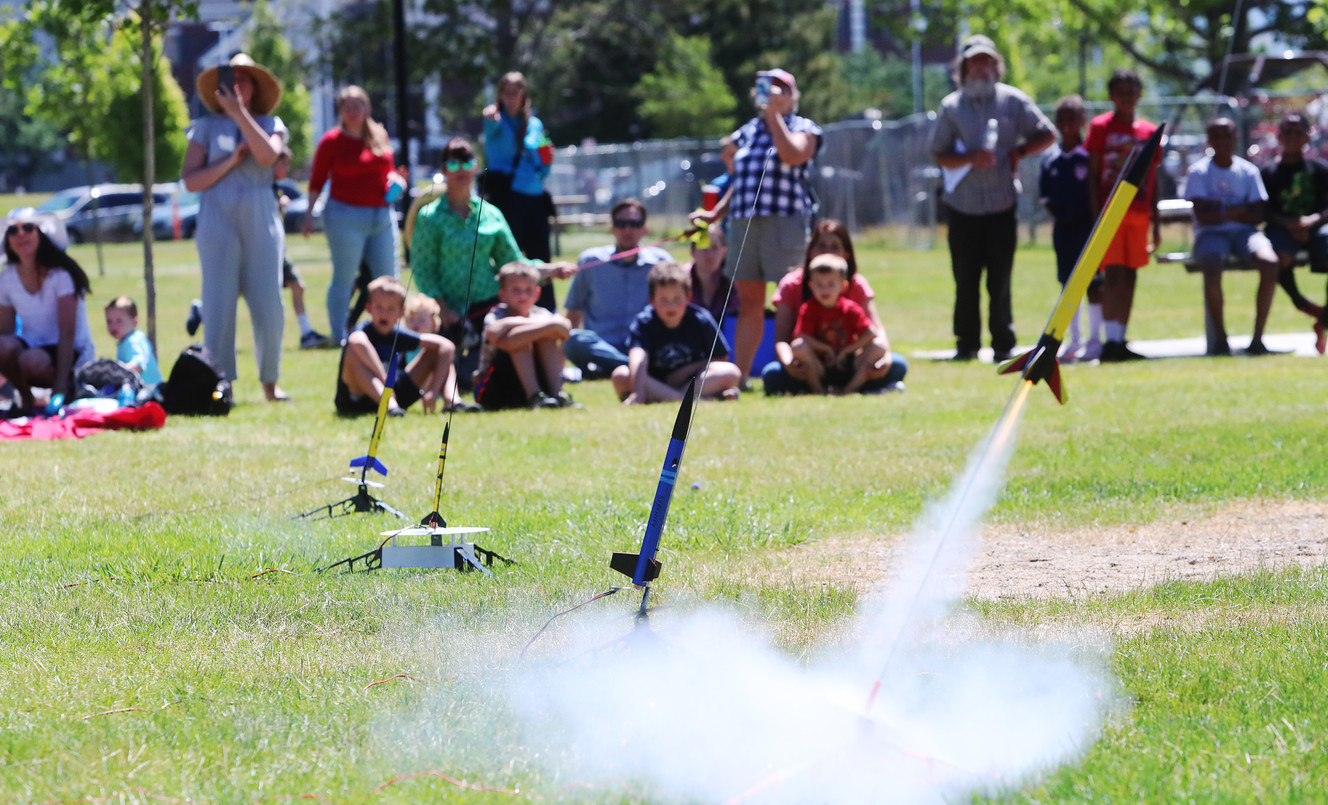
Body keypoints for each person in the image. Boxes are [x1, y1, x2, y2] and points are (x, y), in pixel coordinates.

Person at [689, 68, 822, 385]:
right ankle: (741, 377)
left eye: (782, 88)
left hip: (785, 222)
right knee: (749, 302)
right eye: (768, 87)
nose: (773, 93)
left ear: (793, 96)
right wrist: (716, 213)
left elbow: (792, 155)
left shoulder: (804, 127)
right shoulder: (746, 132)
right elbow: (740, 181)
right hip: (742, 224)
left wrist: (774, 116)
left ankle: (799, 370)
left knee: (792, 298)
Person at [930, 35, 1056, 362]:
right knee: (965, 279)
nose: (981, 68)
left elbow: (1048, 133)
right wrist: (970, 158)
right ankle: (966, 344)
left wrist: (1019, 151)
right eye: (975, 62)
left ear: (996, 66)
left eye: (987, 61)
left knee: (1000, 279)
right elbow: (939, 153)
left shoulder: (1013, 101)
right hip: (963, 207)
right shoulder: (951, 107)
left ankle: (1003, 343)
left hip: (1002, 205)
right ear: (964, 68)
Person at [411, 137, 573, 381]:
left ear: (475, 167)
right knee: (451, 371)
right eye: (453, 165)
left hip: (487, 307)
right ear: (443, 170)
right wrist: (443, 309)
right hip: (448, 313)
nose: (461, 170)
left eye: (467, 164)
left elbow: (514, 264)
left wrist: (551, 270)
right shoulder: (429, 217)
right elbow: (423, 270)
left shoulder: (491, 214)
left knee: (498, 364)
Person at [183, 53, 290, 401]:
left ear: (255, 87)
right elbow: (192, 181)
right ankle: (219, 383)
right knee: (218, 302)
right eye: (232, 79)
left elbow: (267, 157)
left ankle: (271, 382)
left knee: (269, 303)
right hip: (216, 216)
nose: (237, 86)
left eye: (244, 80)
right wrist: (230, 161)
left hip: (261, 214)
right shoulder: (204, 128)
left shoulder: (271, 124)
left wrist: (240, 114)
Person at [303, 85, 403, 344]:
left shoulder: (379, 135)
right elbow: (317, 180)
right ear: (341, 111)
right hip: (344, 216)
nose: (352, 111)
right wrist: (308, 213)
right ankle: (340, 336)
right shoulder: (331, 141)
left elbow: (388, 169)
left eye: (357, 106)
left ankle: (390, 333)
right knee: (345, 277)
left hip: (381, 216)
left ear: (367, 108)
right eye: (347, 107)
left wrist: (395, 180)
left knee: (389, 277)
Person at [761, 220, 907, 395]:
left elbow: (875, 331)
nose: (827, 252)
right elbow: (784, 339)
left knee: (897, 365)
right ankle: (823, 388)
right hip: (810, 364)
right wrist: (789, 362)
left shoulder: (855, 289)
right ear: (810, 251)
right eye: (821, 246)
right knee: (772, 374)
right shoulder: (795, 290)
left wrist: (885, 358)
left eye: (835, 247)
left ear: (846, 254)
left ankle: (849, 387)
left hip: (849, 363)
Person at [1185, 117, 1280, 356]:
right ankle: (1221, 340)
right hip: (1210, 234)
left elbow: (1257, 214)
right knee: (1212, 261)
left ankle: (1257, 340)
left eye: (1226, 135)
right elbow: (1203, 216)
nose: (1222, 141)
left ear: (1235, 139)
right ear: (1209, 140)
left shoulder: (1248, 171)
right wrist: (1238, 211)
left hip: (1245, 233)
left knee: (1270, 262)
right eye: (1216, 136)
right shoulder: (1198, 171)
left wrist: (1220, 211)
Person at [1086, 69, 1160, 362]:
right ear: (1111, 96)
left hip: (1139, 213)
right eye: (1121, 93)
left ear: (1140, 94)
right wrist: (1097, 215)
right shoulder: (1100, 126)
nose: (1127, 98)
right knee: (1113, 273)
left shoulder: (1149, 131)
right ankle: (1109, 338)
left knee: (1130, 274)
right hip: (1111, 212)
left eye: (1132, 92)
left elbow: (1153, 177)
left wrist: (1156, 221)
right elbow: (1093, 174)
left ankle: (1120, 337)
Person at [563, 199, 673, 378]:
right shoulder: (591, 261)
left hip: (643, 344)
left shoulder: (661, 262)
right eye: (621, 224)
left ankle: (616, 368)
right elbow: (574, 313)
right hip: (601, 346)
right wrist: (559, 368)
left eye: (635, 223)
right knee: (573, 340)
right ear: (612, 228)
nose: (628, 230)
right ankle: (637, 368)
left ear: (644, 229)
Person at [0, 210, 95, 414]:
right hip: (32, 348)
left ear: (41, 233)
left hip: (71, 353)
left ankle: (68, 388)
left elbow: (67, 332)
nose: (21, 235)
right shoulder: (6, 278)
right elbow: (5, 332)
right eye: (13, 230)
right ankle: (26, 399)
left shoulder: (61, 275)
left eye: (28, 227)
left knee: (31, 360)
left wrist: (59, 386)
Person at [335, 276, 466, 416]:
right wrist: (384, 379)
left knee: (439, 352)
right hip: (357, 400)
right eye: (379, 307)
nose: (384, 313)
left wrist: (433, 390)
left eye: (391, 308)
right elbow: (356, 341)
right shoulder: (363, 331)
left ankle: (452, 401)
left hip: (395, 393)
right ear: (368, 308)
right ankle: (389, 405)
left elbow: (447, 346)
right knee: (352, 352)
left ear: (401, 312)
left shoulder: (397, 334)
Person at [612, 261, 740, 404]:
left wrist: (686, 370)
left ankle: (676, 397)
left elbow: (721, 358)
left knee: (731, 372)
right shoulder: (644, 322)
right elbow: (637, 357)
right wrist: (638, 392)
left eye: (677, 299)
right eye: (663, 300)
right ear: (652, 301)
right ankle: (688, 399)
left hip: (693, 382)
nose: (671, 306)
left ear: (688, 298)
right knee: (621, 374)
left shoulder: (700, 319)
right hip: (656, 382)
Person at [481, 71, 556, 310]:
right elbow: (489, 121)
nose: (512, 97)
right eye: (507, 92)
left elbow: (543, 165)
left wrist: (547, 160)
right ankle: (505, 305)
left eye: (516, 92)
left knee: (541, 254)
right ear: (500, 95)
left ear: (524, 94)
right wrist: (490, 113)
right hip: (507, 196)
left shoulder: (534, 124)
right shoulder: (495, 120)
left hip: (534, 195)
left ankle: (546, 308)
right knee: (507, 255)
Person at [1261, 112, 1328, 353]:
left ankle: (1324, 319)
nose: (1292, 137)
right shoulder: (1267, 171)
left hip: (1317, 227)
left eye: (1298, 132)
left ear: (1308, 136)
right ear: (1278, 135)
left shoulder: (1319, 169)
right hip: (1281, 228)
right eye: (1287, 131)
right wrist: (1290, 224)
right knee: (1279, 258)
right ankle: (1304, 304)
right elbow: (1262, 210)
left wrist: (1310, 222)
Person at [1038, 95, 1098, 362]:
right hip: (1064, 231)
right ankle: (1075, 341)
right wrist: (1063, 218)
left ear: (1083, 121)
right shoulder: (1051, 159)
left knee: (1094, 284)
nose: (1067, 124)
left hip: (1089, 229)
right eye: (1062, 119)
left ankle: (1095, 341)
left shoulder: (1090, 156)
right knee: (1068, 285)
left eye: (1073, 119)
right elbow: (1046, 197)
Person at [474, 263, 578, 410]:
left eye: (528, 289)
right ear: (502, 294)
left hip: (539, 382)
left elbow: (564, 328)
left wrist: (510, 323)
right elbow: (493, 334)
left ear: (537, 293)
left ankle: (557, 394)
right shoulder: (497, 314)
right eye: (516, 289)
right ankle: (534, 395)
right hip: (496, 388)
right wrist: (547, 325)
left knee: (546, 339)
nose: (523, 295)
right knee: (519, 340)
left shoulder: (541, 313)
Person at [786, 255, 882, 395]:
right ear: (811, 286)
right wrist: (826, 349)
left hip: (848, 363)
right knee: (798, 347)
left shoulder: (850, 308)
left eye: (830, 284)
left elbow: (871, 333)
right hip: (820, 365)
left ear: (843, 286)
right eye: (819, 284)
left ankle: (849, 390)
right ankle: (818, 390)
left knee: (879, 346)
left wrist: (846, 351)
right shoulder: (808, 308)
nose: (824, 289)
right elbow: (801, 336)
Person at [274, 148, 332, 349]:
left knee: (297, 287)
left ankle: (306, 333)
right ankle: (203, 310)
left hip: (277, 250)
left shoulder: (275, 189)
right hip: (265, 252)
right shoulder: (263, 188)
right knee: (243, 291)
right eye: (281, 164)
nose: (285, 168)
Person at [104, 296, 162, 387]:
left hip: (150, 390)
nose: (113, 325)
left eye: (119, 321)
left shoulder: (133, 340)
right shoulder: (127, 340)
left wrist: (117, 373)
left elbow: (138, 364)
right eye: (109, 321)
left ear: (135, 321)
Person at [686, 224, 735, 323]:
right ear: (692, 252)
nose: (709, 253)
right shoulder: (681, 279)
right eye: (703, 247)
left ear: (724, 251)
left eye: (714, 247)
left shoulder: (736, 281)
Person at [402, 293, 442, 365]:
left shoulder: (434, 347)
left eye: (421, 320)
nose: (415, 324)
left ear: (433, 323)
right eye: (411, 319)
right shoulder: (403, 344)